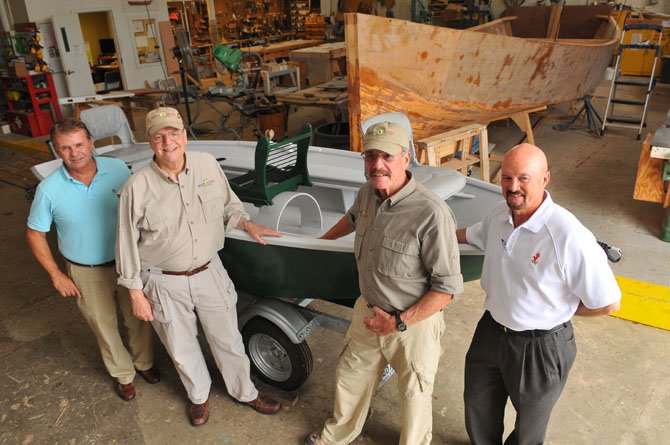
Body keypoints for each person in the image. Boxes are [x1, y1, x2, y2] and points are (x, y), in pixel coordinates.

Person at [116, 107, 282, 427]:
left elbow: (229, 204)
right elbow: (124, 243)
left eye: (174, 134)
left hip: (209, 271)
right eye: (159, 136)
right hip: (164, 281)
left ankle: (244, 391)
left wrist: (247, 223)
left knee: (228, 339)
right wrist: (136, 292)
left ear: (185, 136)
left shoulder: (207, 164)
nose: (168, 142)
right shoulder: (135, 188)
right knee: (180, 345)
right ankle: (198, 397)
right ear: (150, 142)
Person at [305, 121, 464, 445]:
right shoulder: (367, 192)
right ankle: (338, 435)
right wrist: (315, 245)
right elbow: (350, 220)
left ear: (406, 158)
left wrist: (398, 323)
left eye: (387, 156)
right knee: (351, 377)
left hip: (412, 325)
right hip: (367, 312)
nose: (378, 165)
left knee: (414, 393)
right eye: (370, 156)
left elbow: (447, 289)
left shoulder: (432, 213)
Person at [456, 143, 621, 445]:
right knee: (478, 405)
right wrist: (431, 233)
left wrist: (560, 310)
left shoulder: (568, 235)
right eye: (506, 178)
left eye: (523, 178)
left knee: (528, 433)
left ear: (545, 179)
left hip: (540, 346)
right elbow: (471, 235)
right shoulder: (499, 216)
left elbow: (608, 302)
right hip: (491, 330)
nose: (513, 187)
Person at [26, 118, 159, 402]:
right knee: (103, 324)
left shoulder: (117, 168)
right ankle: (123, 374)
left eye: (79, 144)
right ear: (57, 151)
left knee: (139, 316)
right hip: (85, 270)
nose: (75, 153)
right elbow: (35, 234)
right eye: (65, 148)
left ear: (90, 143)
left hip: (126, 262)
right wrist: (56, 275)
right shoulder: (48, 190)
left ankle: (144, 363)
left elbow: (138, 208)